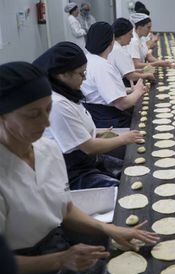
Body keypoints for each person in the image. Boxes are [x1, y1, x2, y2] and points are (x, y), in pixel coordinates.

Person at [0, 61, 159, 274]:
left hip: (58, 240)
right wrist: (60, 260)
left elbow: (64, 208)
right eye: (33, 114)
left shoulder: (47, 150)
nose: (46, 123)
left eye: (48, 110)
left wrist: (110, 229)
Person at [34, 41, 143, 190]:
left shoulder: (65, 93)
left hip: (89, 160)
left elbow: (72, 130)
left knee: (136, 171)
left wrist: (95, 132)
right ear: (62, 74)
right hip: (74, 171)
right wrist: (124, 138)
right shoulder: (57, 104)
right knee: (127, 188)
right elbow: (89, 148)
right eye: (81, 74)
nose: (84, 79)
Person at [81, 22, 148, 128]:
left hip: (93, 112)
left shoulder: (88, 59)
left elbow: (100, 91)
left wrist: (130, 90)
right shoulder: (102, 66)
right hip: (107, 117)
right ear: (110, 42)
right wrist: (139, 91)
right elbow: (122, 104)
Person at [109, 18, 155, 85]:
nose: (132, 36)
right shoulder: (118, 50)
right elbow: (131, 76)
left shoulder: (116, 47)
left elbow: (125, 71)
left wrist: (142, 71)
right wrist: (146, 75)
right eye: (130, 34)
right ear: (122, 35)